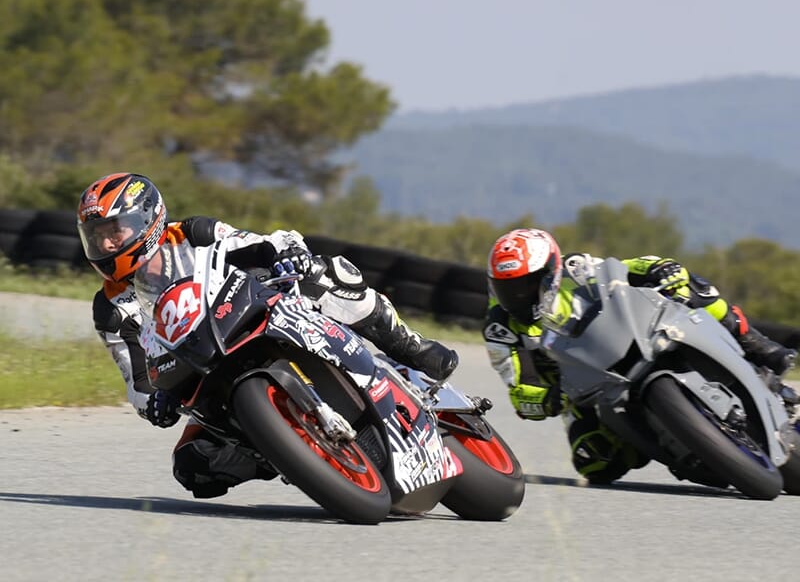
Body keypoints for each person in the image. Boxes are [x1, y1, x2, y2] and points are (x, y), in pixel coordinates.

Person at [77, 172, 458, 498]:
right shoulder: (110, 309)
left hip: (250, 317)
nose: (105, 245)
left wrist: (287, 254)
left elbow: (261, 243)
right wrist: (153, 402)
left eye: (114, 231)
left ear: (147, 220)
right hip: (200, 374)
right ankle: (285, 449)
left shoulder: (193, 234)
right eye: (95, 237)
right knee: (192, 467)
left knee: (330, 274)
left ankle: (410, 346)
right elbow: (134, 375)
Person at [483, 227, 798, 484]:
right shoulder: (501, 329)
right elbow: (519, 393)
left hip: (629, 337)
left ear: (548, 272)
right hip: (580, 390)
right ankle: (672, 440)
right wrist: (550, 398)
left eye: (525, 286)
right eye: (507, 289)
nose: (517, 297)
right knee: (594, 463)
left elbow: (622, 268)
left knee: (691, 286)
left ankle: (755, 343)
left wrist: (662, 268)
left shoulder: (574, 268)